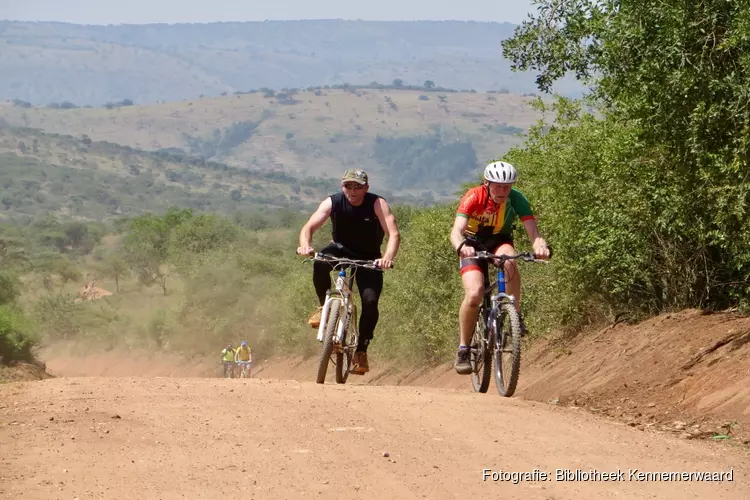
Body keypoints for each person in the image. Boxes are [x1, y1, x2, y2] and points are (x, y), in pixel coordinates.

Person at [449, 160, 550, 375]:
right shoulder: (473, 196)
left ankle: (514, 314)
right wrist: (461, 246)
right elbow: (456, 230)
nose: (503, 191)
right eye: (498, 186)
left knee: (510, 261)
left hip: (499, 240)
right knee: (475, 294)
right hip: (471, 243)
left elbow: (533, 230)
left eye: (507, 186)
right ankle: (464, 348)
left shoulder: (516, 198)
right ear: (487, 183)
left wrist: (539, 245)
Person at [296, 168, 400, 375]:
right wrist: (305, 245)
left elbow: (393, 234)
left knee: (370, 301)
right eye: (348, 186)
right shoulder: (332, 202)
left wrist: (387, 258)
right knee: (319, 261)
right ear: (342, 186)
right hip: (340, 249)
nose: (352, 191)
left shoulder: (377, 204)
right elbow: (308, 227)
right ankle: (322, 306)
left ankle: (361, 351)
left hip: (369, 257)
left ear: (366, 188)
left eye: (357, 186)